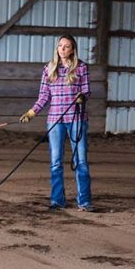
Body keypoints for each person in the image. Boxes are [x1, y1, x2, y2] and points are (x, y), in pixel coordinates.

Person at [20, 35, 93, 211]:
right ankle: (57, 199)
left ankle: (84, 201)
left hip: (76, 119)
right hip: (55, 120)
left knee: (81, 160)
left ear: (73, 49)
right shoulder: (49, 69)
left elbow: (87, 91)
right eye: (60, 46)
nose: (62, 49)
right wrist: (32, 112)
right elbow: (44, 96)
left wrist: (81, 97)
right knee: (55, 161)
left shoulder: (81, 68)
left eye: (66, 46)